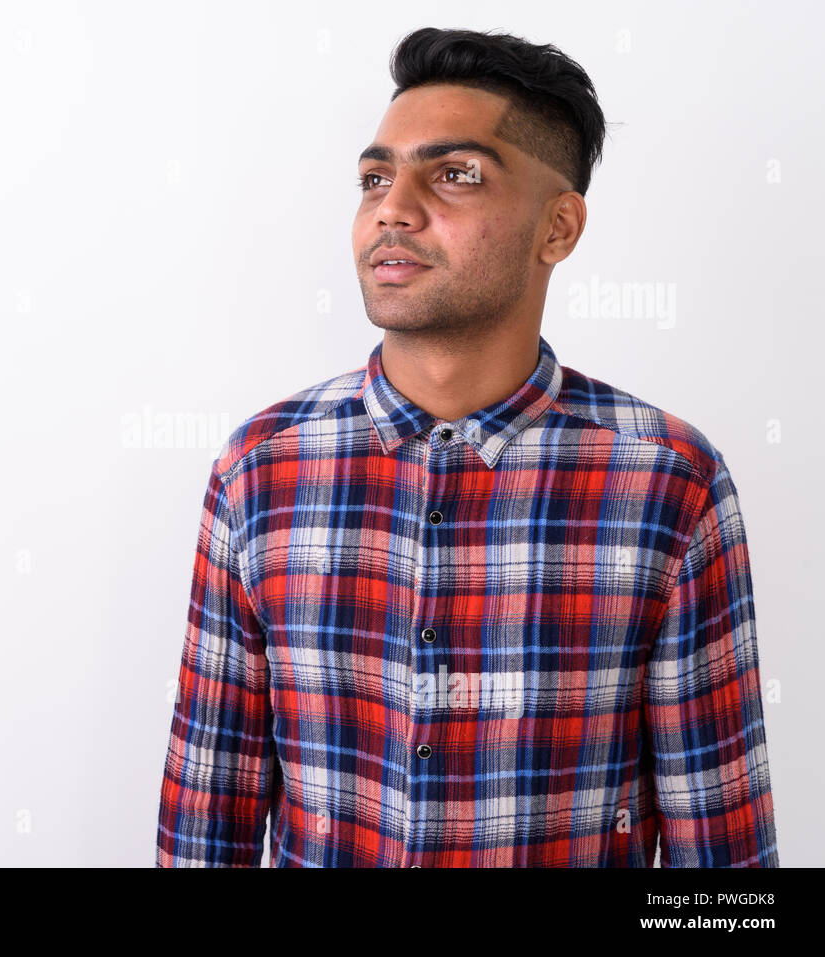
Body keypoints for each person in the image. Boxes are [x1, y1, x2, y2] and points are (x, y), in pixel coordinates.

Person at [155, 26, 778, 867]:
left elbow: (721, 857)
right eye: (376, 177)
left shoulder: (669, 481)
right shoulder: (261, 469)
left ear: (558, 227)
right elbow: (208, 819)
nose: (393, 208)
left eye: (453, 174)